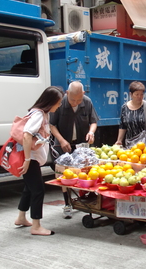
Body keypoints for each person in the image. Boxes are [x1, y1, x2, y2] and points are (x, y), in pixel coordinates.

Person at [14, 86, 64, 236]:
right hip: (32, 158)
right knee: (38, 190)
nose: (59, 105)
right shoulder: (39, 114)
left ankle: (21, 217)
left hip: (33, 158)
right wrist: (28, 159)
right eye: (58, 103)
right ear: (50, 102)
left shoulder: (43, 113)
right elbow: (27, 135)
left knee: (29, 188)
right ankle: (36, 226)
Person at [50, 81, 99, 218]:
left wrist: (91, 132)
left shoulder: (87, 102)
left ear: (83, 94)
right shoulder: (60, 104)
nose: (75, 102)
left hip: (81, 146)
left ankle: (86, 200)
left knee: (85, 173)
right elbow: (52, 125)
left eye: (79, 99)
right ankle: (67, 203)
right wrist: (61, 139)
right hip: (63, 145)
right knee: (64, 175)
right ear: (67, 93)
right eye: (72, 99)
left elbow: (93, 121)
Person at [115, 81, 146, 148]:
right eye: (137, 94)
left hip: (145, 144)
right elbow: (122, 126)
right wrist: (119, 140)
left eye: (141, 94)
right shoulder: (124, 107)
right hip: (130, 144)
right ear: (131, 94)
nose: (139, 97)